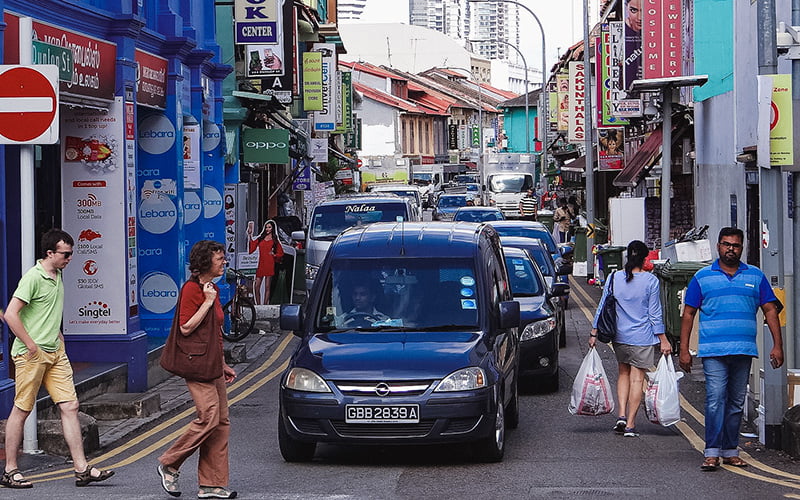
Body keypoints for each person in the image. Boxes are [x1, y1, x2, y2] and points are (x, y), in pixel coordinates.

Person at [2, 229, 114, 489]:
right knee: (22, 409)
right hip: (33, 354)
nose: (70, 258)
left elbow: (45, 311)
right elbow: (10, 314)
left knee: (70, 406)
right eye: (65, 254)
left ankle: (82, 469)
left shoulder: (58, 273)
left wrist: (58, 335)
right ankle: (10, 470)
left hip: (55, 352)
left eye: (71, 254)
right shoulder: (33, 277)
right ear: (50, 253)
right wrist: (31, 345)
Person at [679, 227, 784, 471]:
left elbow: (770, 310)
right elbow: (688, 314)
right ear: (718, 246)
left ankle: (730, 450)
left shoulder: (755, 276)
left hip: (743, 350)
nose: (731, 249)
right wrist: (684, 350)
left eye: (736, 245)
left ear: (742, 248)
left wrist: (777, 346)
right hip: (713, 351)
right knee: (715, 400)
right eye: (726, 244)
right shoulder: (702, 277)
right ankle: (712, 451)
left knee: (736, 402)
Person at [157, 240, 237, 499]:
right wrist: (207, 301)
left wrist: (222, 363)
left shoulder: (210, 287)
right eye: (219, 259)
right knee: (209, 417)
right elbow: (186, 328)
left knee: (221, 423)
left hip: (212, 364)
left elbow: (215, 330)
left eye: (223, 258)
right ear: (205, 263)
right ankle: (170, 462)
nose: (223, 262)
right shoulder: (193, 290)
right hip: (197, 365)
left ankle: (211, 484)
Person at [589, 240, 671, 437]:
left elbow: (602, 306)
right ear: (644, 259)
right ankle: (631, 424)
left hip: (619, 336)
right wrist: (663, 338)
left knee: (623, 374)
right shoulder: (651, 281)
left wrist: (594, 332)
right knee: (637, 379)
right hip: (642, 337)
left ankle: (621, 415)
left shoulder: (615, 277)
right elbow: (654, 314)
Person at [247, 220, 284, 305]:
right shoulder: (261, 238)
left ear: (272, 228)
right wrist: (250, 235)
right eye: (266, 227)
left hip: (269, 263)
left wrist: (274, 255)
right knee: (257, 286)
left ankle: (265, 304)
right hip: (261, 263)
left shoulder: (275, 240)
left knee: (267, 286)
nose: (267, 229)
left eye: (269, 227)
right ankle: (258, 304)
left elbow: (280, 253)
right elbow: (252, 247)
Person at [624, 0, 643, 91]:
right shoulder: (622, 33)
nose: (640, 18)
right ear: (626, 9)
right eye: (634, 11)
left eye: (644, 11)